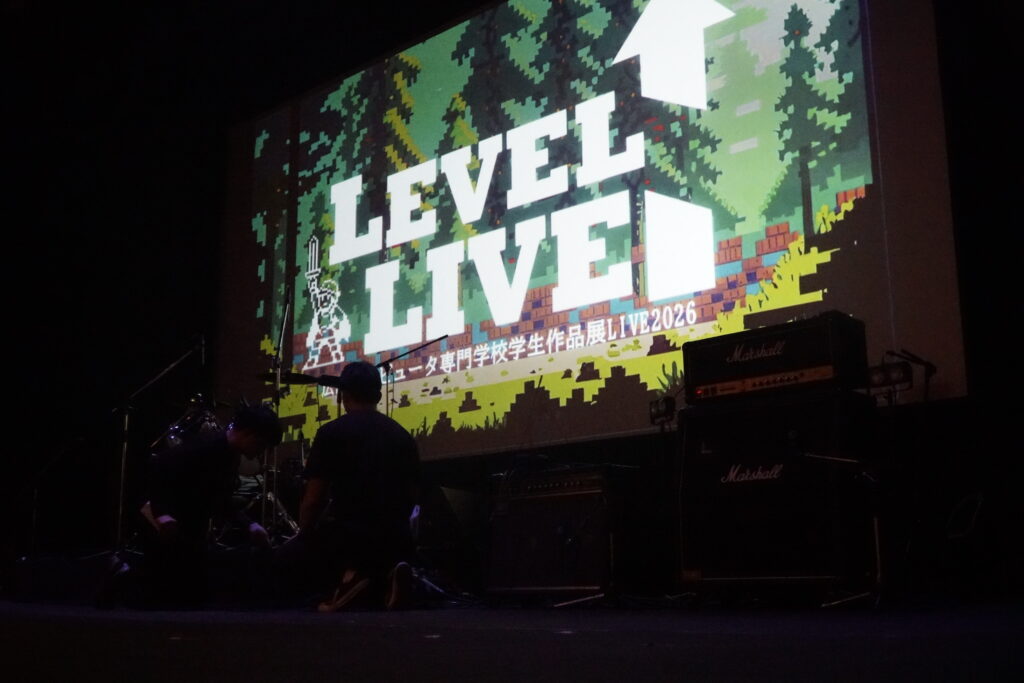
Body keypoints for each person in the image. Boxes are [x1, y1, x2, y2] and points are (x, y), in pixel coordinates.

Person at [292, 360, 421, 611]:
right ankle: (385, 576)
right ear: (379, 396)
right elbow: (413, 498)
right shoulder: (403, 436)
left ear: (343, 395)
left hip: (350, 539)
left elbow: (314, 499)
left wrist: (303, 534)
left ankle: (349, 579)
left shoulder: (331, 433)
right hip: (396, 539)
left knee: (302, 552)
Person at [131, 403, 283, 608]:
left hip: (181, 523)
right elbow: (159, 468)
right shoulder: (207, 447)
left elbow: (219, 499)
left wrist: (249, 525)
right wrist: (162, 514)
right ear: (248, 434)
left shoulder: (228, 454)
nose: (260, 452)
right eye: (261, 445)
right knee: (171, 593)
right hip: (166, 520)